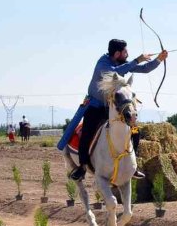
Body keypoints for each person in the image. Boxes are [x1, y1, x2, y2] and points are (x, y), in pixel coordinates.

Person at [68, 39, 168, 181]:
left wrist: (159, 60)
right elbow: (115, 72)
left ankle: (132, 167)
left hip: (113, 107)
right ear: (116, 53)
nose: (127, 54)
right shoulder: (103, 64)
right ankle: (83, 166)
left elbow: (144, 69)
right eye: (125, 52)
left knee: (134, 131)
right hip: (95, 106)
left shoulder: (122, 64)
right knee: (87, 132)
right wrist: (136, 60)